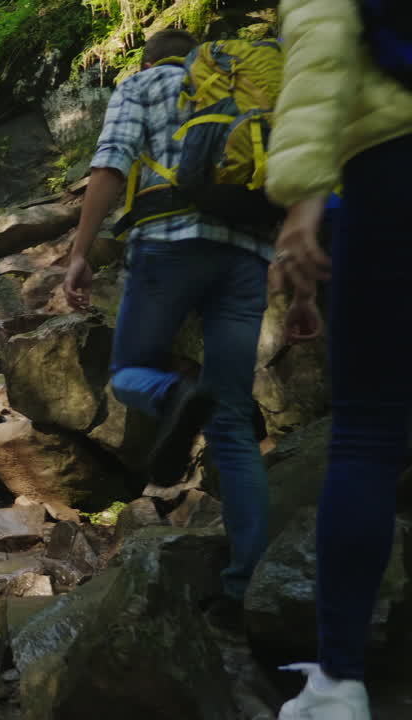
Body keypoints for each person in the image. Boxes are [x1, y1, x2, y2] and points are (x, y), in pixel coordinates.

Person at [63, 28, 273, 626]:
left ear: (149, 59)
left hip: (168, 244)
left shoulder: (142, 85)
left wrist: (79, 252)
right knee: (231, 422)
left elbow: (111, 165)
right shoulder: (244, 86)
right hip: (247, 255)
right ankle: (247, 592)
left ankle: (176, 393)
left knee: (129, 374)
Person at [266, 0, 412, 717]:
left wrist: (304, 200)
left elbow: (322, 50)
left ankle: (338, 685)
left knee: (368, 433)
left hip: (392, 169)